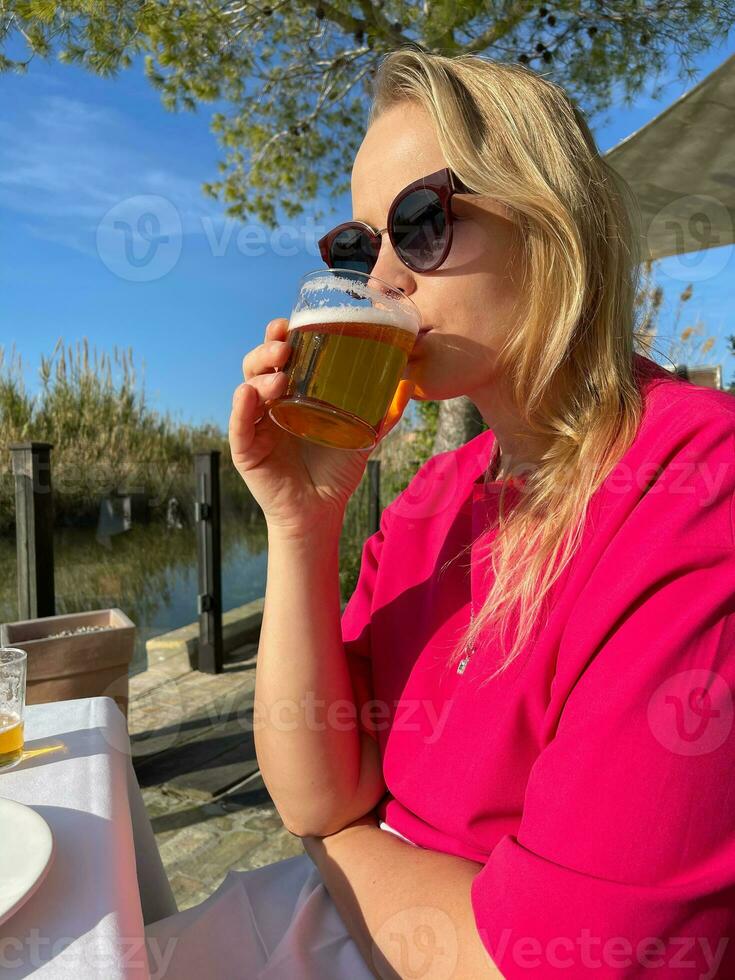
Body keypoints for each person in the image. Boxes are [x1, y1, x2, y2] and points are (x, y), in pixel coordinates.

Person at [145, 48, 735, 978]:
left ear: (554, 222)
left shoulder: (698, 485)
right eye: (357, 245)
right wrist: (302, 523)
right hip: (356, 920)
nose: (381, 276)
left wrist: (344, 849)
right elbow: (311, 794)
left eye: (419, 224)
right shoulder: (434, 498)